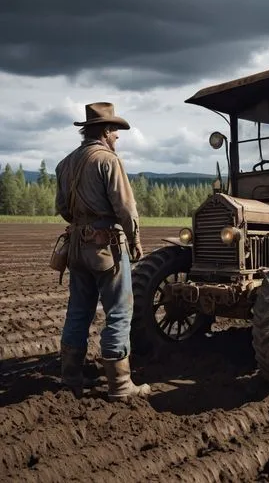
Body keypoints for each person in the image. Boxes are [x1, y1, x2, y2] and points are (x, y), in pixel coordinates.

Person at [55, 102, 150, 400]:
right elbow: (126, 209)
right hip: (106, 248)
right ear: (106, 131)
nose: (118, 138)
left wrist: (83, 226)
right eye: (116, 132)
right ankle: (121, 385)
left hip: (76, 249)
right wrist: (134, 240)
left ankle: (70, 379)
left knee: (78, 310)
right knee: (120, 312)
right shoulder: (109, 161)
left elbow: (62, 208)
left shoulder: (65, 163)